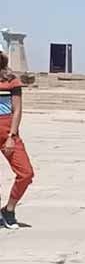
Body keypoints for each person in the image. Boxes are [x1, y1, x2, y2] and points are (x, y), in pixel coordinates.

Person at [0, 48, 34, 229]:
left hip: (7, 131)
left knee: (26, 173)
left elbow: (17, 110)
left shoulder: (11, 80)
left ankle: (9, 209)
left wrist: (12, 136)